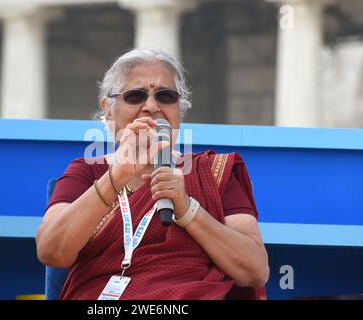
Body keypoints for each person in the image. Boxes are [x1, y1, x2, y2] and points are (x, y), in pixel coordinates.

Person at [35, 48, 269, 300]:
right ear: (108, 109)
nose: (151, 107)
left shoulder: (212, 171)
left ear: (179, 109)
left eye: (165, 96)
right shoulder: (87, 171)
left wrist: (188, 209)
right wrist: (116, 178)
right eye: (135, 96)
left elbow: (254, 270)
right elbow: (51, 251)